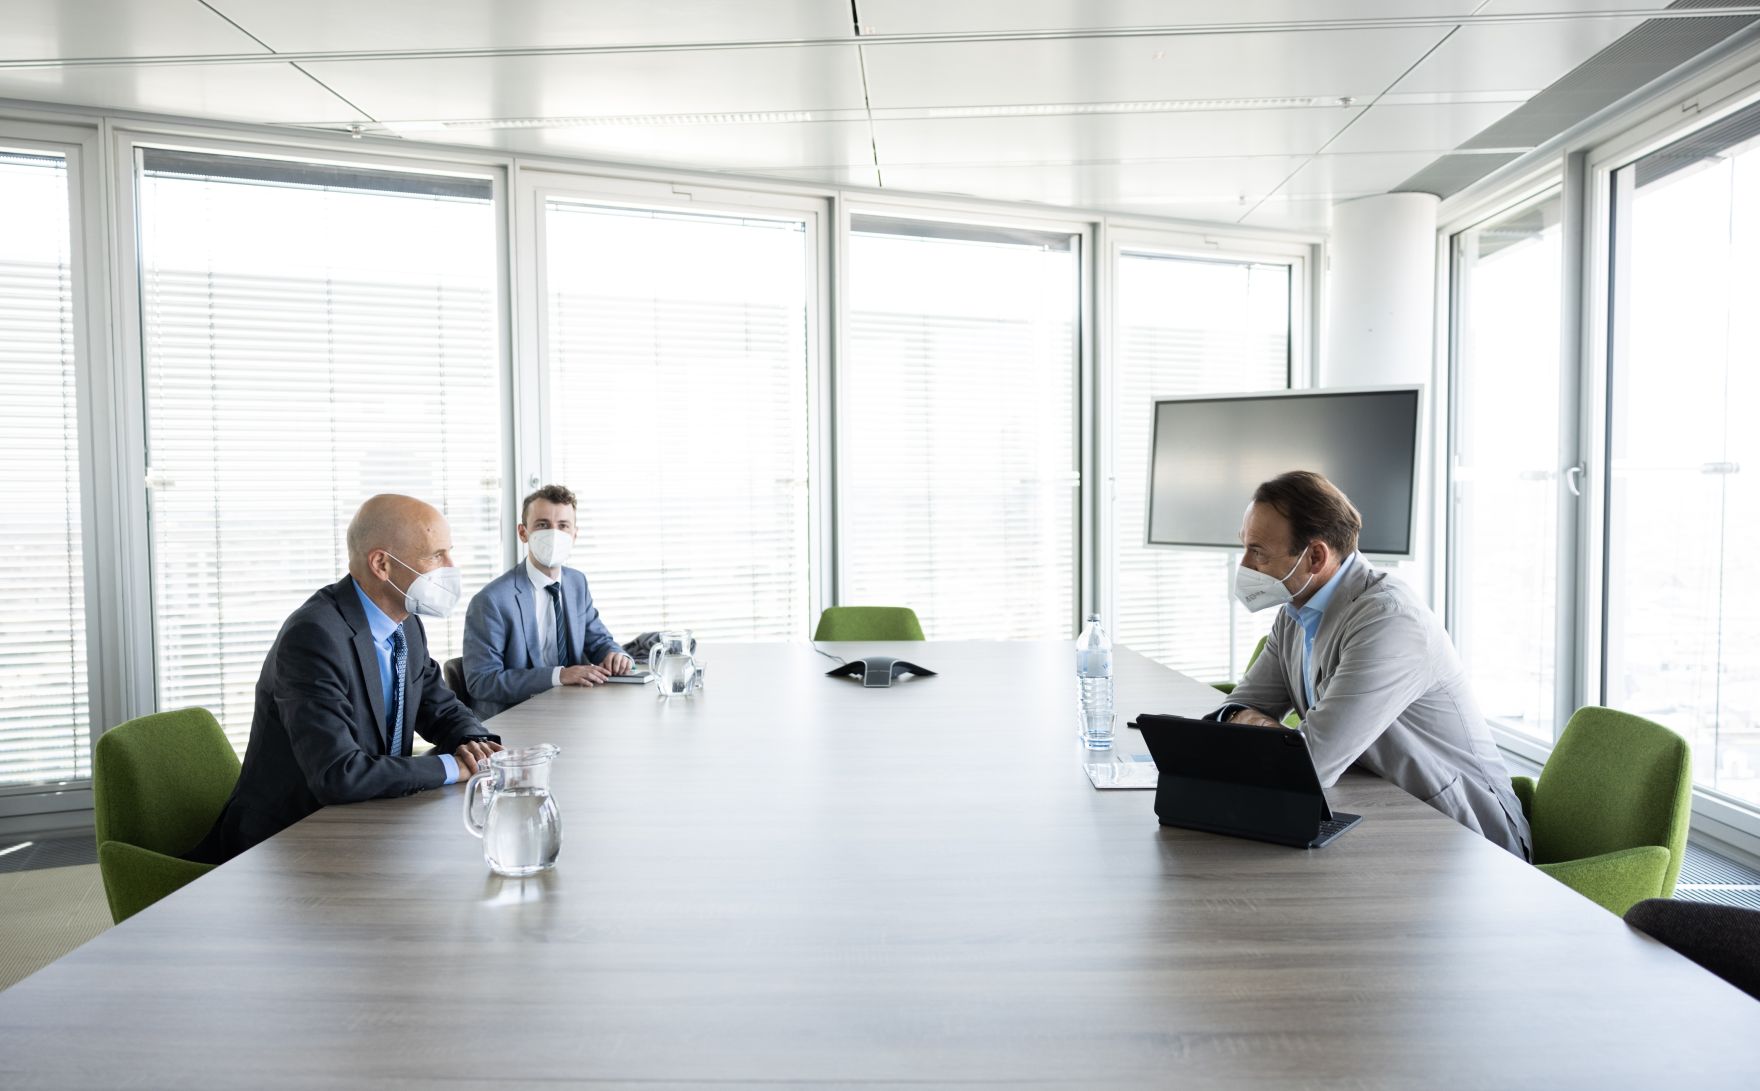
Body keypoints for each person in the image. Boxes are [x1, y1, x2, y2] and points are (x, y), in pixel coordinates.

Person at [1213, 470, 1532, 858]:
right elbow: (1233, 711)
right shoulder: (1294, 613)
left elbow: (1313, 763)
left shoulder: (1390, 621)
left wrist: (1254, 727)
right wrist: (1251, 723)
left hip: (1465, 840)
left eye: (1258, 552)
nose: (1245, 565)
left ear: (1315, 556)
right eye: (1244, 548)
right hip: (1376, 809)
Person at [188, 494, 501, 865]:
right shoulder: (313, 637)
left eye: (449, 552)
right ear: (382, 563)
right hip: (289, 844)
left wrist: (477, 745)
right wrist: (452, 767)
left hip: (370, 822)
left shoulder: (405, 623)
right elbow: (339, 773)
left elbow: (440, 706)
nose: (450, 567)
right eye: (435, 555)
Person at [462, 484, 633, 720]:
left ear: (575, 533)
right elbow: (482, 682)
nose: (554, 534)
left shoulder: (576, 583)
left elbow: (598, 641)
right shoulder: (491, 601)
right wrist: (558, 676)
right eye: (542, 525)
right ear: (523, 533)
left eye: (563, 526)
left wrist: (616, 655)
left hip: (574, 712)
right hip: (514, 720)